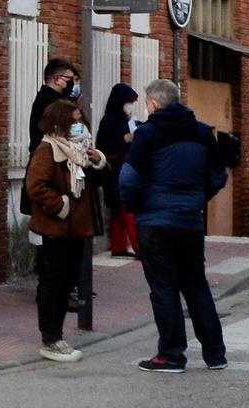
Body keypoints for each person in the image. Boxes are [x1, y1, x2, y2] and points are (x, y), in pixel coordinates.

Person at [120, 79, 229, 373]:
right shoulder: (203, 132)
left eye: (147, 103)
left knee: (164, 288)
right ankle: (215, 353)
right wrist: (197, 198)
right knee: (196, 285)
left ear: (154, 104)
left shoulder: (148, 134)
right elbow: (218, 175)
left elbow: (129, 178)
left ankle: (171, 354)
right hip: (190, 220)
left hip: (155, 220)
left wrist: (135, 205)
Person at [25, 98, 107, 362]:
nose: (78, 126)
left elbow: (102, 180)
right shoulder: (48, 150)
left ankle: (57, 336)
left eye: (80, 121)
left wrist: (98, 161)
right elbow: (35, 186)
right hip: (55, 228)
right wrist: (61, 206)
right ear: (58, 123)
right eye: (73, 122)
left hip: (78, 230)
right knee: (53, 284)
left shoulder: (82, 150)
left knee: (68, 283)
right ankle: (50, 338)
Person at [96, 83, 144, 257]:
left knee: (118, 211)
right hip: (116, 173)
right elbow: (102, 147)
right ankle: (141, 249)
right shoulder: (109, 121)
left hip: (122, 171)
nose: (130, 105)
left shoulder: (125, 120)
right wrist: (125, 139)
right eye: (128, 102)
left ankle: (118, 247)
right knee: (127, 211)